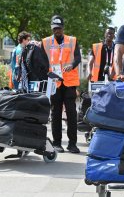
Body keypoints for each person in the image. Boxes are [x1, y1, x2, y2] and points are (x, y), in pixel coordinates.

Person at [41, 15, 81, 153]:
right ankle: (57, 143)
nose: (56, 31)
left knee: (71, 113)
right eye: (54, 28)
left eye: (59, 28)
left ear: (63, 28)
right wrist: (47, 73)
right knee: (55, 113)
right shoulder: (45, 42)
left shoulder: (72, 40)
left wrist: (72, 64)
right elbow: (42, 61)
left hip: (69, 82)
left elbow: (78, 57)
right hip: (54, 82)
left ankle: (72, 143)